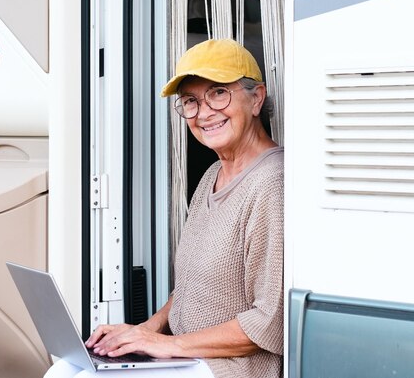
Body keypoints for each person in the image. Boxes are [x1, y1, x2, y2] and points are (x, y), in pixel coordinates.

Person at [46, 38, 284, 378]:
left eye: (219, 93)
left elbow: (269, 320)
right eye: (190, 101)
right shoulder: (213, 174)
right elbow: (190, 289)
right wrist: (144, 330)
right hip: (187, 356)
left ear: (256, 98)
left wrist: (167, 346)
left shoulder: (272, 182)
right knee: (64, 370)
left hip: (229, 369)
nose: (203, 113)